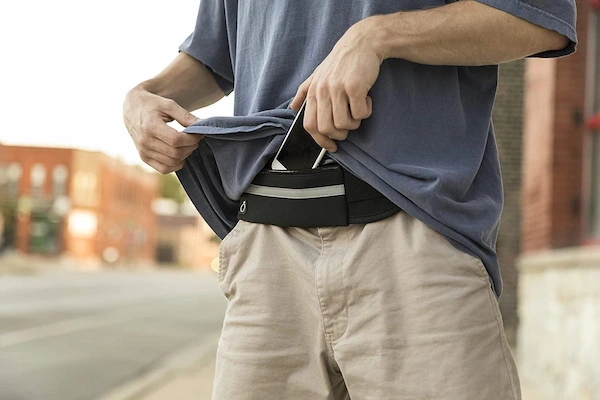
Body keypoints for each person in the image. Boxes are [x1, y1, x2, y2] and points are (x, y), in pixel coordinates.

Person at [123, 0, 577, 398]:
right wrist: (145, 96)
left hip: (410, 240)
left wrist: (376, 35)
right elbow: (214, 54)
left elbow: (540, 16)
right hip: (268, 257)